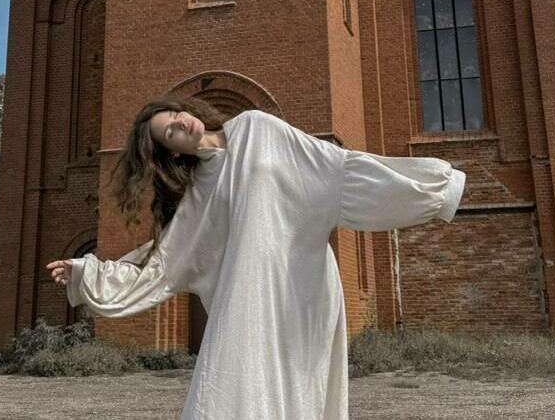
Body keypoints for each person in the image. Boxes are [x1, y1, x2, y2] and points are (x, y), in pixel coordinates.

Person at [46, 94, 466, 420]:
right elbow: (163, 264)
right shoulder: (198, 195)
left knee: (302, 383)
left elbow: (335, 170)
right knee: (232, 391)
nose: (179, 123)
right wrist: (87, 273)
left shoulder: (257, 127)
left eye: (175, 115)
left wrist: (429, 188)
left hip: (304, 288)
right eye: (170, 131)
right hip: (247, 306)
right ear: (172, 151)